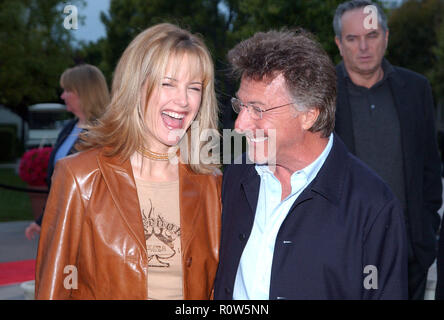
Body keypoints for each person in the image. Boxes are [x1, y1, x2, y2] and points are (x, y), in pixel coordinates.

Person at [213, 28, 408, 300]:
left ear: (308, 115)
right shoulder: (236, 175)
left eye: (257, 109)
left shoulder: (372, 206)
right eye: (240, 106)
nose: (240, 124)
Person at [35, 23, 221, 299]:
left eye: (194, 88)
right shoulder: (80, 176)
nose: (183, 100)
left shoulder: (211, 183)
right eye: (167, 83)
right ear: (136, 86)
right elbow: (55, 286)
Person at [333, 0, 442, 300]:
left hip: (409, 257)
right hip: (342, 257)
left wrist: (425, 239)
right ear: (339, 44)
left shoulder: (416, 89)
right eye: (353, 39)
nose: (363, 47)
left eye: (372, 35)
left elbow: (430, 170)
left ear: (386, 37)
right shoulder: (322, 96)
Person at [25, 64, 110, 240]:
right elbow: (56, 184)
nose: (62, 95)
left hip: (92, 229)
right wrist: (41, 221)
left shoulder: (107, 132)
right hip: (65, 223)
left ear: (83, 92)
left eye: (67, 90)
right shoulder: (68, 128)